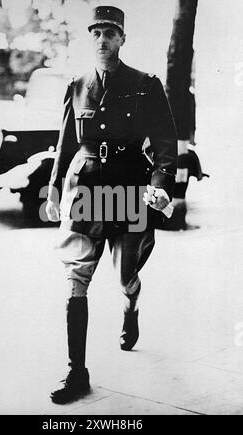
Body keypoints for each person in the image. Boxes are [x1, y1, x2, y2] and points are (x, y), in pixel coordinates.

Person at [46, 5, 177, 404]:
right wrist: (54, 187)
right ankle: (76, 372)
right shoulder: (77, 83)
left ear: (122, 39)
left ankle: (130, 303)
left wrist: (160, 183)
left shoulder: (145, 84)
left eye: (110, 34)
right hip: (86, 187)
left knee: (125, 275)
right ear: (91, 39)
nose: (102, 41)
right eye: (96, 34)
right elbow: (67, 140)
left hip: (128, 188)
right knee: (76, 277)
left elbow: (166, 145)